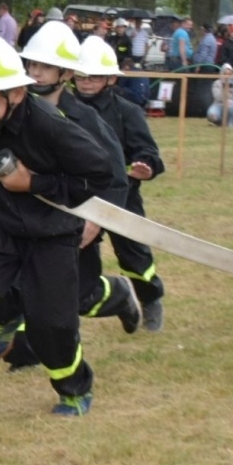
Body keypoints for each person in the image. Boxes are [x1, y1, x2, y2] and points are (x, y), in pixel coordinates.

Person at [0, 33, 115, 416]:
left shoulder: (52, 126)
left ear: (17, 95)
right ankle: (10, 313)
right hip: (1, 224)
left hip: (52, 233)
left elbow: (100, 173)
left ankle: (74, 390)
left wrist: (34, 183)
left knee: (52, 326)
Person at [0, 21, 141, 368]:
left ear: (65, 73)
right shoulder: (17, 110)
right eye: (31, 65)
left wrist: (97, 218)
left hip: (76, 218)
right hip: (31, 216)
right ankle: (27, 353)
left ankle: (119, 294)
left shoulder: (85, 118)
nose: (36, 72)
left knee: (76, 297)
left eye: (44, 66)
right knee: (26, 283)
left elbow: (114, 176)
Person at [73, 35, 167, 331]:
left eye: (94, 76)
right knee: (73, 259)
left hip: (122, 198)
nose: (86, 82)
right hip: (78, 198)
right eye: (81, 76)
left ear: (111, 78)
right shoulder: (62, 108)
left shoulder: (127, 111)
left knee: (134, 258)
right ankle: (109, 301)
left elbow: (148, 152)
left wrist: (145, 167)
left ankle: (150, 300)